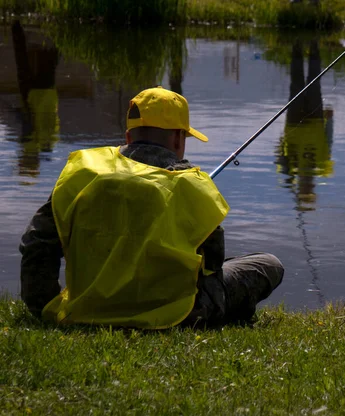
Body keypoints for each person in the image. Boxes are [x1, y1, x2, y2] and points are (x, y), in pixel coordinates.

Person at [19, 86, 284, 329]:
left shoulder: (82, 171)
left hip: (86, 310)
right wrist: (210, 313)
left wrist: (46, 307)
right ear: (179, 139)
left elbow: (37, 243)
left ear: (128, 135)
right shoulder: (193, 184)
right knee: (268, 264)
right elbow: (211, 268)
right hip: (174, 316)